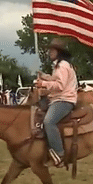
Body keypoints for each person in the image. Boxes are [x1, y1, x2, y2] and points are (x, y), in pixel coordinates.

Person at [36, 38, 77, 167]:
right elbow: (55, 79)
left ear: (58, 52)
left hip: (64, 100)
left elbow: (60, 85)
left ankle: (59, 153)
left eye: (52, 50)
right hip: (59, 99)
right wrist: (44, 76)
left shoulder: (62, 65)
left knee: (49, 122)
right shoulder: (59, 66)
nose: (49, 52)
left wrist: (43, 83)